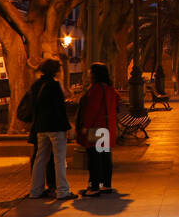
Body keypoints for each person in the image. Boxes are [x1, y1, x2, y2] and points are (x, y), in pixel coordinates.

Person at [29, 58, 75, 200]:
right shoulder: (54, 85)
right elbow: (60, 108)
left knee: (40, 158)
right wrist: (67, 127)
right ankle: (62, 190)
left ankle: (35, 190)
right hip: (55, 126)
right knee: (59, 159)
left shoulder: (37, 84)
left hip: (41, 126)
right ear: (55, 70)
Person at [77, 62, 119, 196]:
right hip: (107, 128)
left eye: (90, 73)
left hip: (97, 128)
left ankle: (94, 187)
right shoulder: (110, 88)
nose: (89, 75)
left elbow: (92, 110)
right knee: (105, 157)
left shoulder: (96, 89)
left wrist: (85, 126)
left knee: (94, 158)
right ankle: (106, 185)